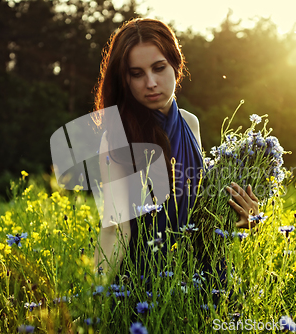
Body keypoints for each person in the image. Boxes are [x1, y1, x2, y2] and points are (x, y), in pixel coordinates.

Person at [92, 18, 259, 284]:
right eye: (137, 73)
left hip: (202, 273)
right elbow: (116, 229)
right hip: (146, 280)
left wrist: (241, 215)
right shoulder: (116, 138)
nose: (150, 82)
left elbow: (198, 209)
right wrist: (94, 297)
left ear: (176, 65)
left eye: (159, 68)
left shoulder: (191, 123)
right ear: (124, 80)